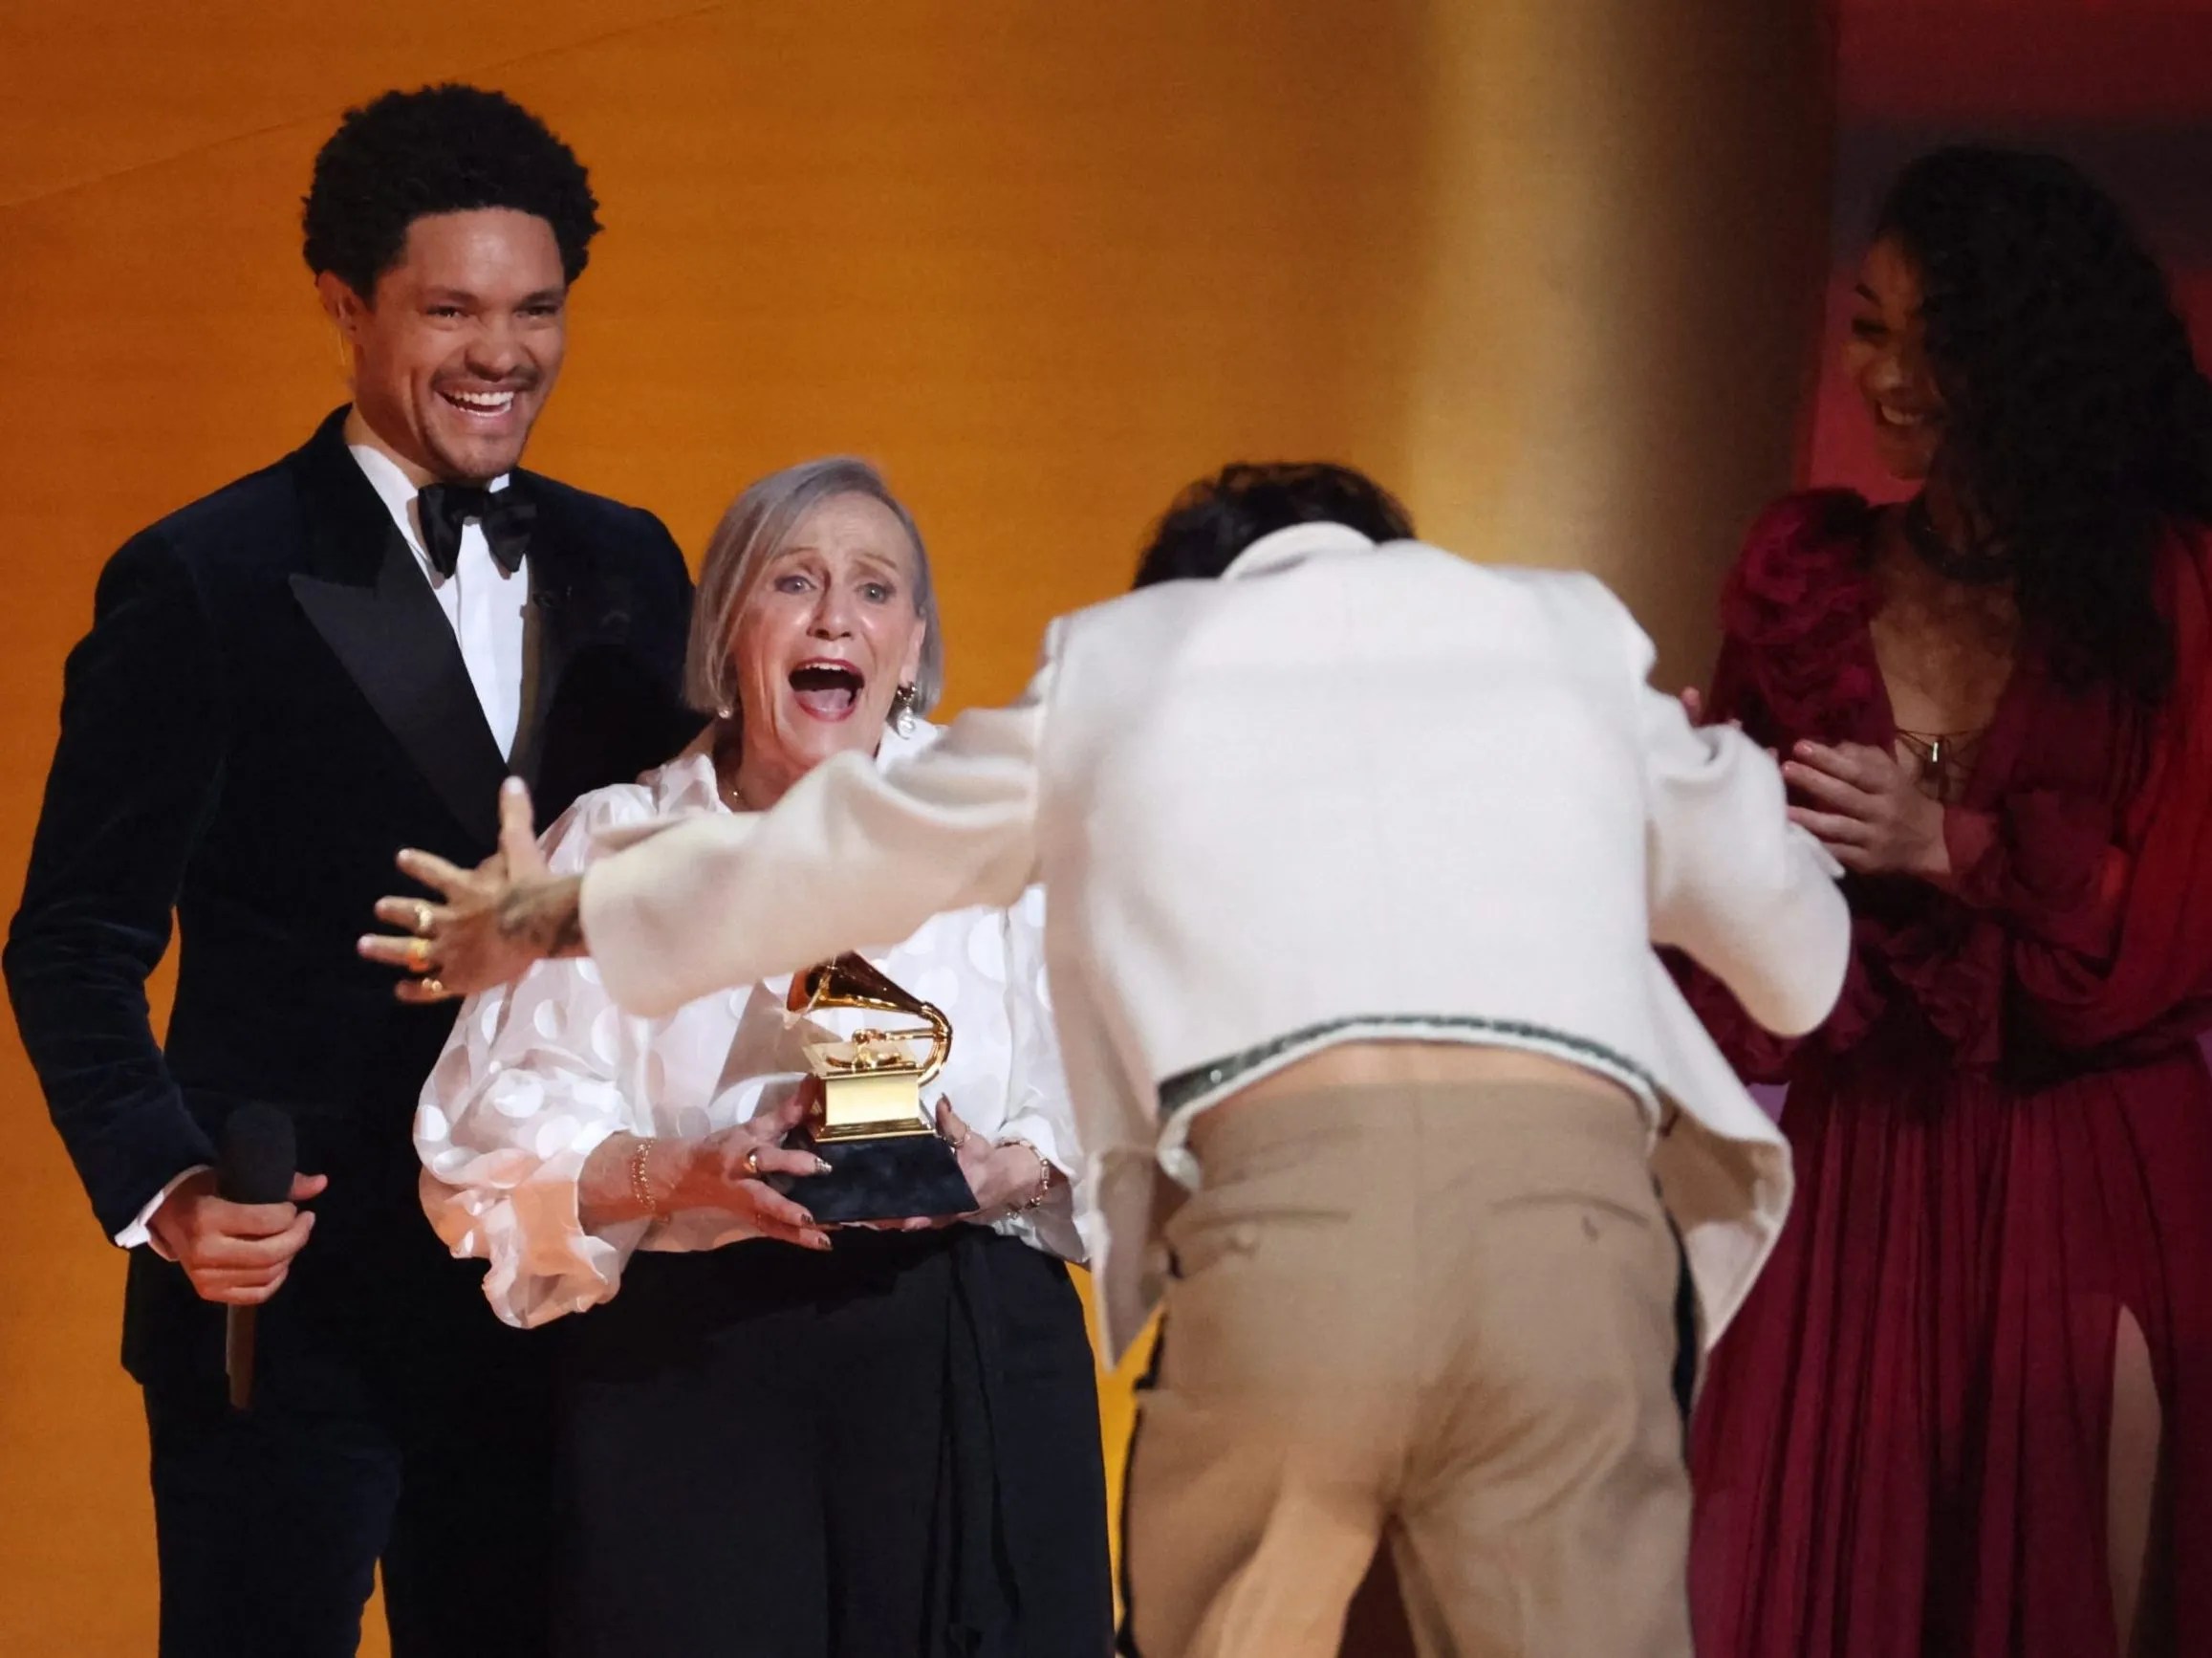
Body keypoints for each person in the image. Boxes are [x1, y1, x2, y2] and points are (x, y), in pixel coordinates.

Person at [367, 461, 1850, 1658]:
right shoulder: (1575, 639)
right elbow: (1800, 960)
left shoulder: (1137, 662)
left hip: (1284, 1252)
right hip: (1575, 1255)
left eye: (875, 587)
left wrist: (550, 916)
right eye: (797, 582)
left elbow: (830, 864)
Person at [4, 85, 696, 1658]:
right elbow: (71, 937)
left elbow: (725, 867)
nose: (499, 354)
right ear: (343, 304)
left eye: (534, 310)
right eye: (449, 308)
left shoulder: (630, 559)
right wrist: (167, 1183)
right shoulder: (206, 574)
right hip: (296, 1294)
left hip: (559, 1278)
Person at [410, 456, 1111, 1657]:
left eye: (874, 588)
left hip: (963, 1351)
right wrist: (680, 1174)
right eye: (795, 580)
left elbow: (1128, 1106)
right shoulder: (613, 844)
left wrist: (1015, 1170)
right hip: (696, 1375)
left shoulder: (1012, 833)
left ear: (912, 640)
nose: (837, 615)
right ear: (730, 627)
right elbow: (480, 1154)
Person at [1675, 146, 2212, 1658]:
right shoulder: (1803, 571)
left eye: (1933, 334)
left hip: (2089, 1161)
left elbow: (2169, 937)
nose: (1889, 375)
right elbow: (1744, 986)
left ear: (2029, 351)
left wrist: (1954, 845)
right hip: (1866, 1166)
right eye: (1867, 326)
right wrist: (1685, 820)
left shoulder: (2170, 593)